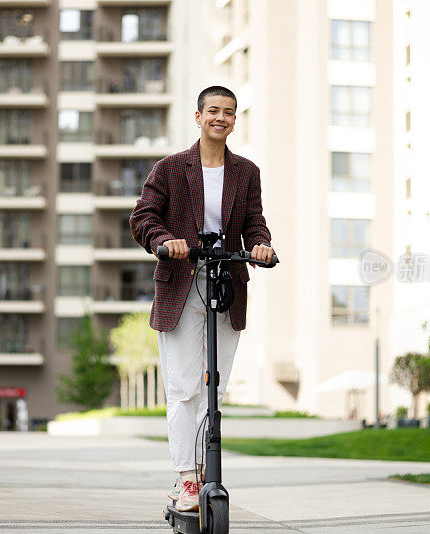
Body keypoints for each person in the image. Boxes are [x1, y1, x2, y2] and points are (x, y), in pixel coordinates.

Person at [129, 86, 274, 512]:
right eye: (214, 111)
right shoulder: (171, 168)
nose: (221, 118)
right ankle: (188, 477)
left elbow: (253, 221)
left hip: (226, 280)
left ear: (234, 120)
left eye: (229, 113)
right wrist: (165, 240)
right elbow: (143, 217)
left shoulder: (246, 171)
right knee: (182, 387)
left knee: (215, 387)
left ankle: (207, 468)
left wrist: (261, 246)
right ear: (198, 116)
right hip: (180, 280)